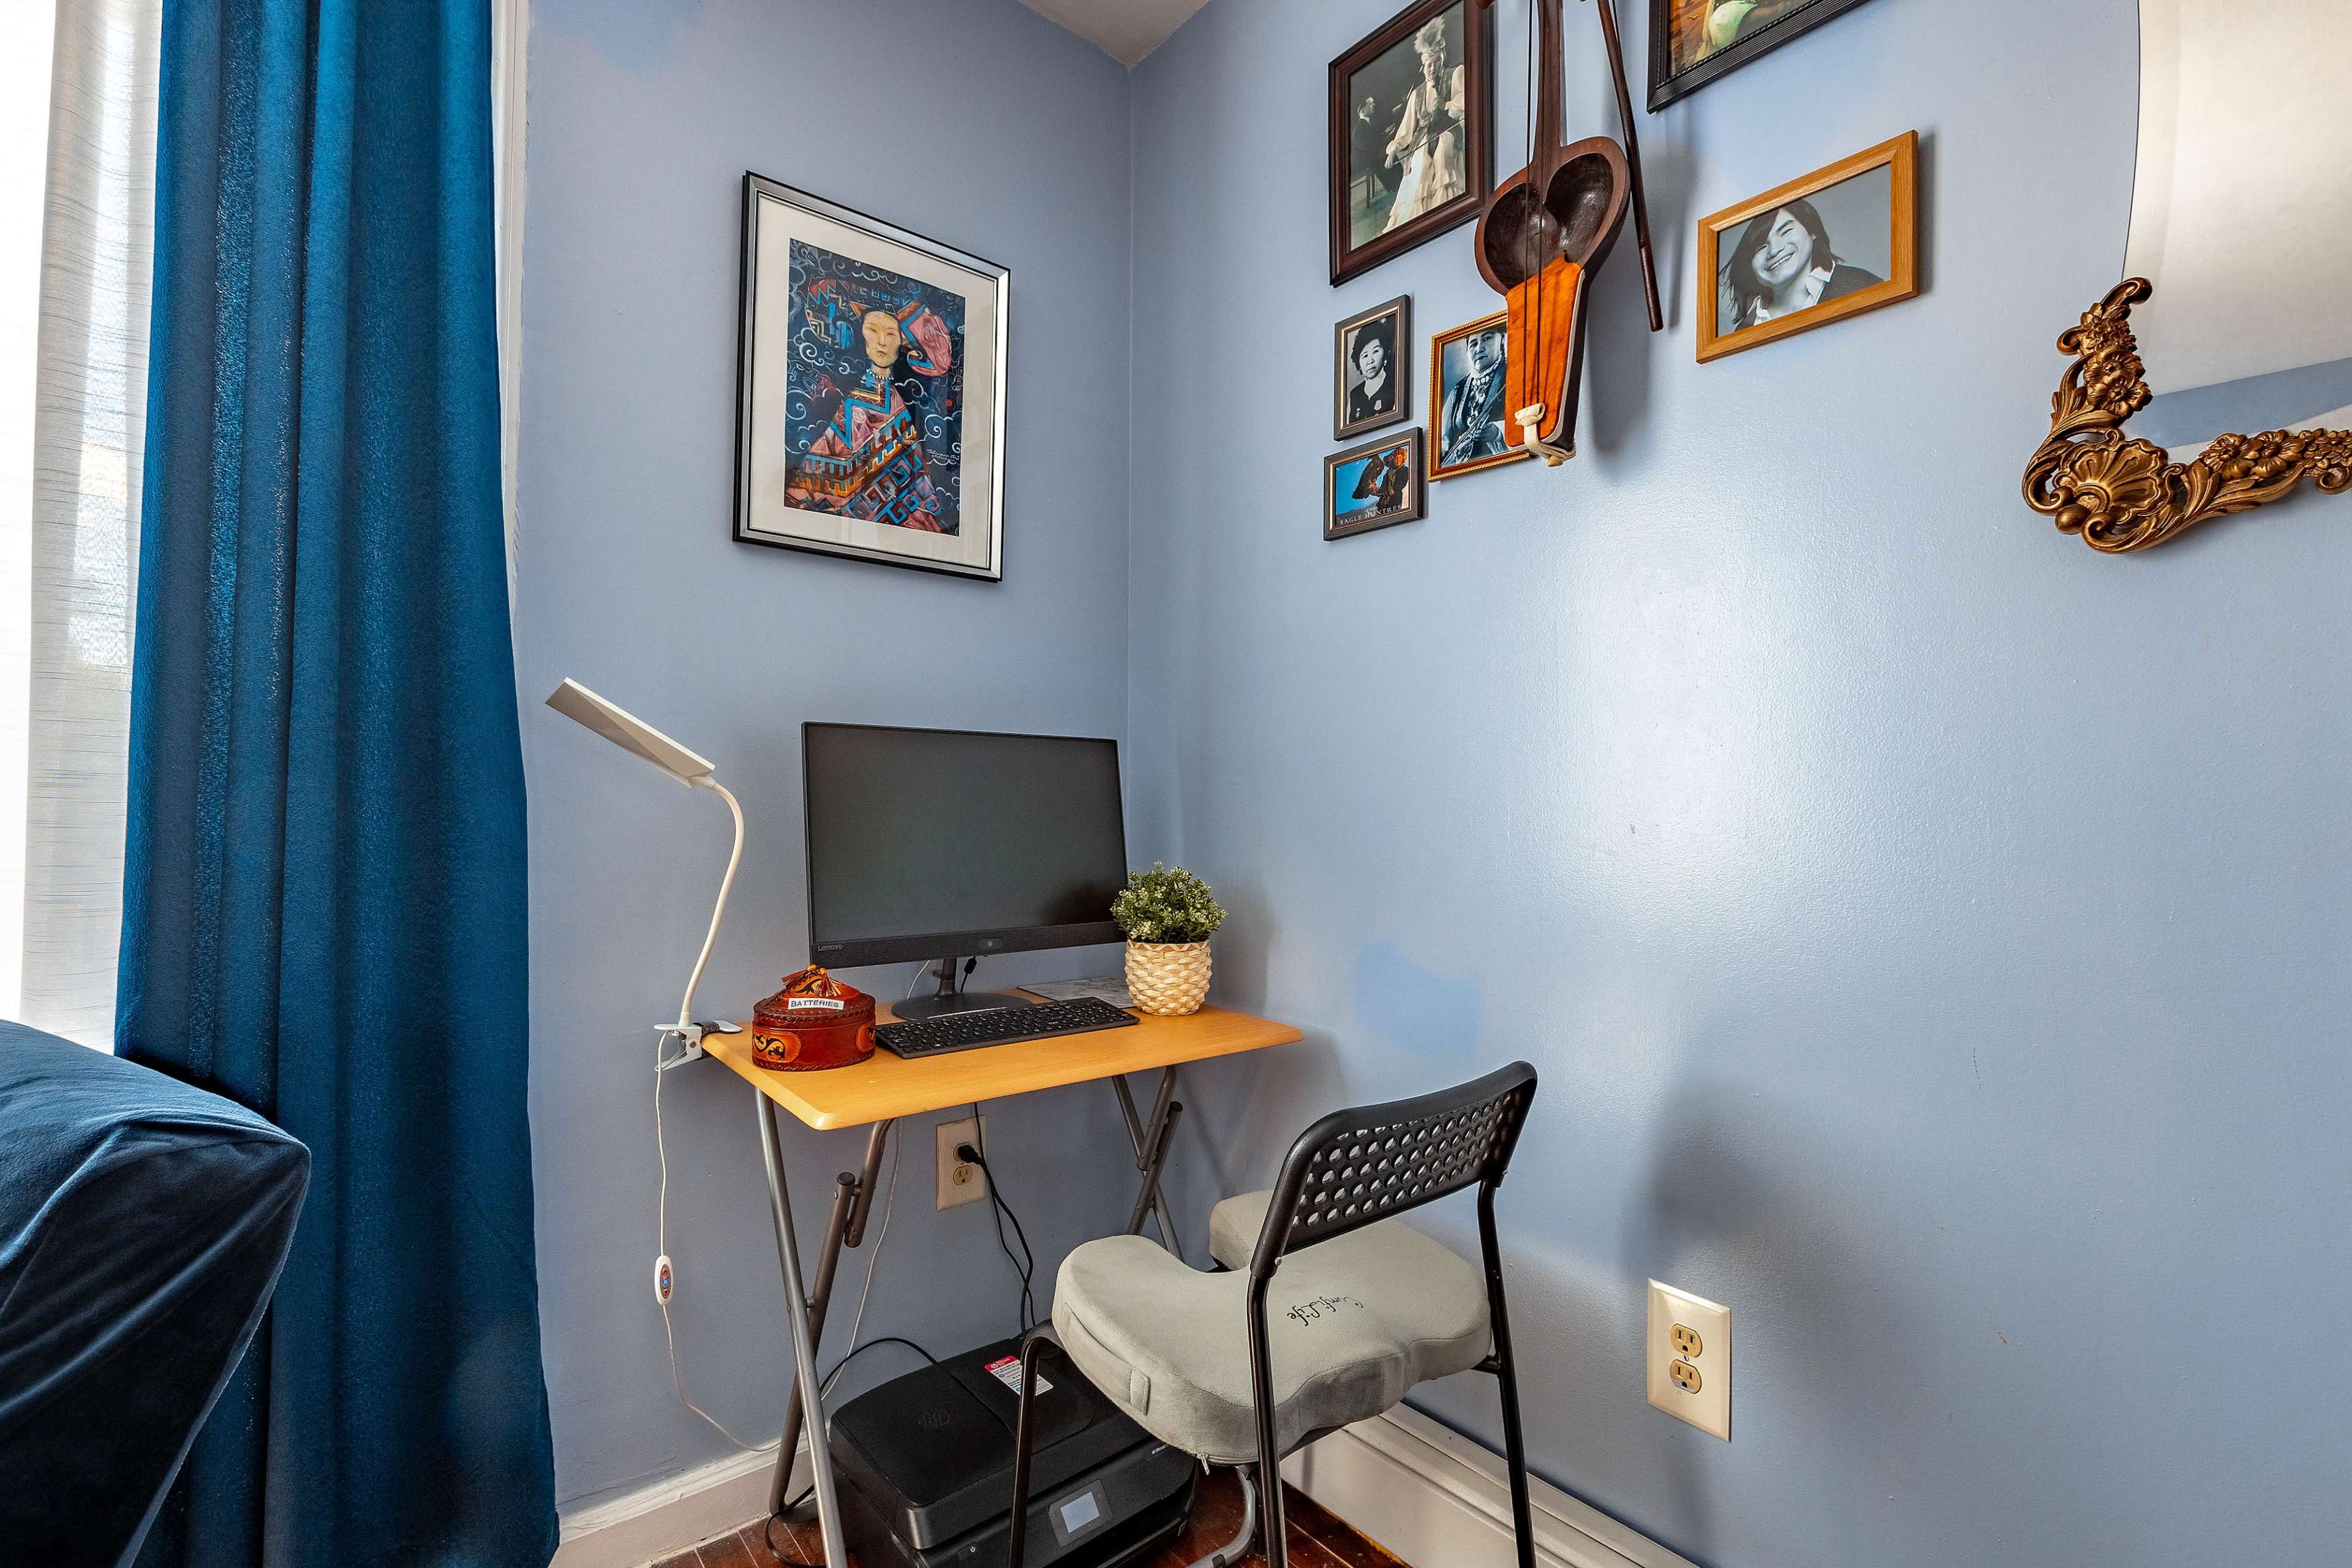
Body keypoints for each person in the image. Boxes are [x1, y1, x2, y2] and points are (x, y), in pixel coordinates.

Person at [787, 298, 958, 532]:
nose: (882, 342)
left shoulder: (897, 400)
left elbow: (915, 471)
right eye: (872, 330)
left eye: (891, 333)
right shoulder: (858, 399)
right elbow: (824, 457)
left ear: (902, 341)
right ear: (862, 336)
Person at [1721, 197, 1881, 331]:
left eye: (1786, 232)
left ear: (1812, 231)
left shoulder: (1862, 286)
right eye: (1761, 247)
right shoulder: (1745, 329)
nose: (1774, 251)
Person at [1382, 19, 1465, 233]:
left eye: (1437, 62)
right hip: (1422, 140)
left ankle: (1448, 208)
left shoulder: (1455, 74)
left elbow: (1465, 103)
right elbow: (1406, 130)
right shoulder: (1417, 95)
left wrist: (1446, 105)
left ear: (1442, 58)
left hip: (1448, 129)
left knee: (1442, 151)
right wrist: (1394, 149)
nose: (1433, 68)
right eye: (1429, 64)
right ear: (1423, 66)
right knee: (1419, 160)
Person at [1441, 328, 1509, 465]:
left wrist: (1498, 433)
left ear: (1501, 339)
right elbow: (1445, 439)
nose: (1479, 349)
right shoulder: (1458, 391)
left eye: (1487, 339)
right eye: (1473, 344)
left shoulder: (1514, 377)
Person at [1345, 318, 1396, 426]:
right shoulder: (1355, 395)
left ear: (1385, 354)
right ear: (1359, 363)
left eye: (1375, 351)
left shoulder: (1394, 387)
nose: (1370, 361)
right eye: (1365, 356)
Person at [1351, 442, 1412, 514]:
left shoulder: (1405, 470)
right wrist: (1374, 490)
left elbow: (1402, 483)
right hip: (1383, 503)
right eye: (1395, 458)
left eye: (1400, 458)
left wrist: (1392, 490)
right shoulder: (1385, 474)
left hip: (1395, 500)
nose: (1397, 460)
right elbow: (1382, 488)